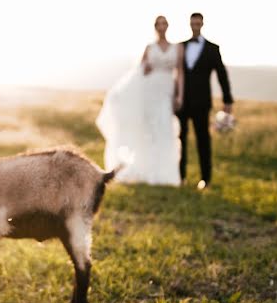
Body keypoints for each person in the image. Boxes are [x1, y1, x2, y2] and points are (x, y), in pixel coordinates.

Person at [96, 15, 184, 185]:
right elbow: (138, 72)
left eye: (164, 23)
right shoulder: (149, 47)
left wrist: (179, 95)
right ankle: (147, 171)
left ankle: (166, 174)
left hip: (166, 91)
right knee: (149, 131)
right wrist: (145, 69)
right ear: (155, 27)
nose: (161, 26)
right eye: (158, 24)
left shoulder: (177, 47)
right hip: (149, 92)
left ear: (168, 26)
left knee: (165, 129)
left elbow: (180, 72)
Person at [178, 13, 233, 189]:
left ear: (202, 24)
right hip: (181, 102)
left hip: (202, 102)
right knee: (181, 140)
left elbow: (221, 74)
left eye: (198, 22)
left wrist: (227, 99)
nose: (195, 25)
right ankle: (180, 177)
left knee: (203, 140)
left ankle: (205, 179)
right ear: (189, 24)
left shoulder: (212, 48)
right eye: (192, 22)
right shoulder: (180, 46)